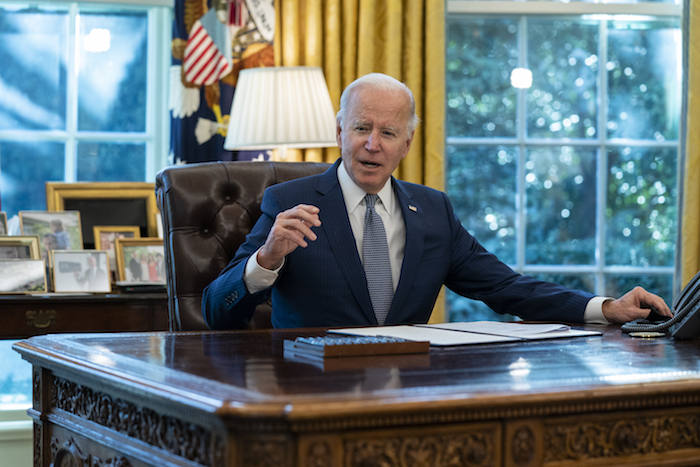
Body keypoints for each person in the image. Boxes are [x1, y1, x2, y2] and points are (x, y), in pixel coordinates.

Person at [202, 72, 672, 330]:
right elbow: (216, 313)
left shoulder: (433, 211)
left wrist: (606, 307)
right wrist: (266, 259)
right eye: (362, 128)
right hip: (308, 392)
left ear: (407, 143)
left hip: (412, 393)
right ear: (340, 131)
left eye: (388, 133)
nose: (373, 145)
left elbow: (509, 288)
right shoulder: (289, 202)